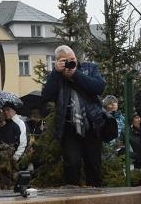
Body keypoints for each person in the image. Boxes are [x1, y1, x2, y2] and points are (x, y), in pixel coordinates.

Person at [41, 45, 107, 186]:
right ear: (58, 61)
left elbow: (98, 87)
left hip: (92, 125)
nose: (71, 62)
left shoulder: (89, 68)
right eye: (66, 60)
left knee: (94, 166)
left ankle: (96, 198)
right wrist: (56, 73)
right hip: (69, 128)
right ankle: (73, 200)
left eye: (73, 59)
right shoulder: (56, 76)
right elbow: (47, 96)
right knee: (72, 165)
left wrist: (75, 74)